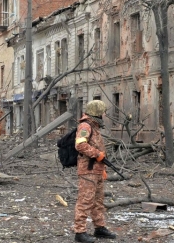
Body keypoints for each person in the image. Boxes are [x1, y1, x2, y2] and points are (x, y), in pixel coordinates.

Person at [73, 100, 117, 243]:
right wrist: (97, 154)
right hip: (87, 170)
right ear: (97, 111)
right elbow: (80, 145)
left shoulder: (94, 126)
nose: (104, 114)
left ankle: (99, 228)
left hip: (96, 170)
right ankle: (79, 232)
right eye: (103, 111)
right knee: (85, 201)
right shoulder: (85, 126)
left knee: (98, 201)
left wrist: (102, 169)